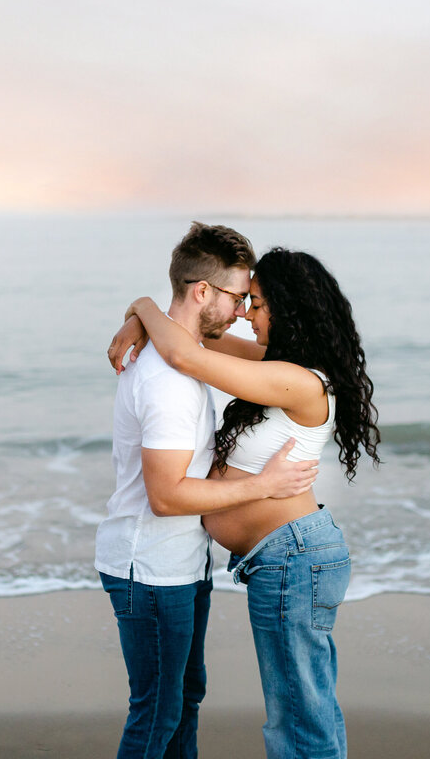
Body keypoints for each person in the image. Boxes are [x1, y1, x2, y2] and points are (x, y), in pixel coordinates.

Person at [108, 246, 380, 759]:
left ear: (286, 308)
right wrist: (144, 320)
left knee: (299, 718)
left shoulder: (297, 380)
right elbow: (200, 335)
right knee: (306, 708)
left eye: (256, 304)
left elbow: (188, 355)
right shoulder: (284, 365)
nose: (246, 314)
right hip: (288, 557)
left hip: (292, 559)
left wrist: (142, 306)